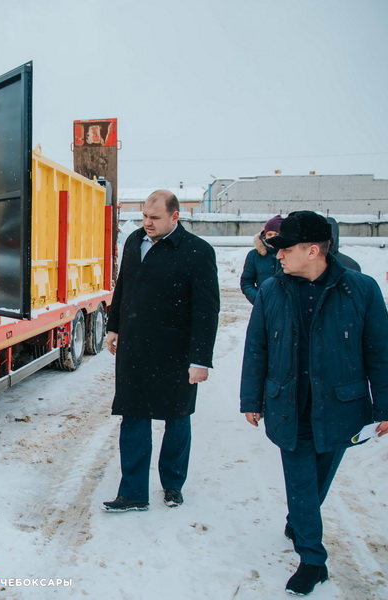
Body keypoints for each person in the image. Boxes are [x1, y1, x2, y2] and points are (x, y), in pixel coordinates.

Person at [240, 210, 388, 596]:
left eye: (285, 248)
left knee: (317, 480)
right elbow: (257, 347)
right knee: (301, 479)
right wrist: (250, 398)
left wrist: (385, 406)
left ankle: (301, 518)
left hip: (340, 407)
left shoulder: (362, 289)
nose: (278, 256)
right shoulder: (272, 289)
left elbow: (380, 352)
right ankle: (312, 560)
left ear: (313, 250)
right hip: (289, 404)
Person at [103, 189, 220, 513]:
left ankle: (172, 485)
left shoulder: (196, 251)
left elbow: (206, 310)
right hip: (135, 349)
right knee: (133, 416)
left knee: (177, 418)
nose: (147, 223)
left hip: (176, 351)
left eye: (155, 218)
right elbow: (123, 285)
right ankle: (133, 492)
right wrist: (114, 327)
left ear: (175, 217)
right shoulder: (134, 242)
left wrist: (200, 360)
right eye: (144, 216)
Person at [240, 215, 283, 304]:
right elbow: (246, 283)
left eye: (276, 234)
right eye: (270, 234)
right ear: (265, 235)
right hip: (263, 307)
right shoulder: (254, 255)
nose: (273, 237)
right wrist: (259, 300)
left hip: (287, 307)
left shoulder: (290, 254)